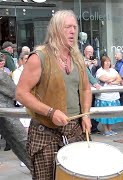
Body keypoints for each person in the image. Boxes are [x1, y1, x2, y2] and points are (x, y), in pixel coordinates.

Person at [15, 10, 92, 179]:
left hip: (75, 131)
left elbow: (86, 89)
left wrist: (86, 114)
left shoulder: (77, 58)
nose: (73, 31)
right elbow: (21, 93)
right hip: (45, 133)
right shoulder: (39, 57)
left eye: (74, 27)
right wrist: (51, 112)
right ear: (56, 30)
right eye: (67, 27)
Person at [95, 55, 123, 136]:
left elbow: (119, 80)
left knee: (112, 114)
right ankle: (105, 130)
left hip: (113, 96)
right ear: (102, 62)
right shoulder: (99, 71)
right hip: (103, 96)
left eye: (109, 61)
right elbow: (104, 79)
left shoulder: (113, 70)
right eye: (105, 61)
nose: (107, 63)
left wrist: (113, 81)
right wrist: (114, 78)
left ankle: (110, 129)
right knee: (104, 114)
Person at [84, 45, 101, 134]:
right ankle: (87, 126)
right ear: (84, 52)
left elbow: (102, 70)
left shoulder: (96, 62)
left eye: (90, 52)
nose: (89, 53)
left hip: (95, 88)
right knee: (87, 107)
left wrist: (96, 65)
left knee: (95, 107)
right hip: (86, 88)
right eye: (87, 52)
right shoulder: (81, 62)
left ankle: (94, 127)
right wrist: (87, 64)